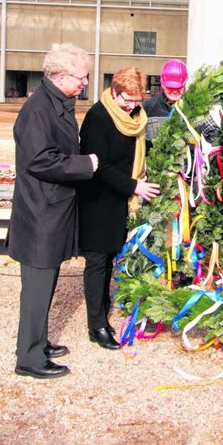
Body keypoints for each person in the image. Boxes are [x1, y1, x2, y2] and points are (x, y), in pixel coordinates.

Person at [7, 43, 98, 379]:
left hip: (51, 211)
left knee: (45, 285)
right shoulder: (37, 111)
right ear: (60, 77)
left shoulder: (55, 103)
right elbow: (39, 160)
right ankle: (28, 359)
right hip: (39, 215)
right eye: (81, 77)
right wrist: (84, 163)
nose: (84, 82)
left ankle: (39, 342)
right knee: (36, 289)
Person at [78, 67, 160, 350]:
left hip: (119, 202)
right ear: (114, 91)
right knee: (97, 262)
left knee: (110, 259)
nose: (133, 105)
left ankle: (103, 309)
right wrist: (134, 186)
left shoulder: (135, 117)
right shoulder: (97, 118)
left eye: (137, 100)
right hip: (98, 201)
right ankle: (96, 325)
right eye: (127, 99)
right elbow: (99, 166)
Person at [143, 59, 188, 146]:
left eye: (178, 88)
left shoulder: (194, 106)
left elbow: (209, 136)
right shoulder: (148, 107)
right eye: (170, 87)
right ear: (162, 84)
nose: (175, 92)